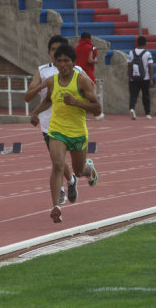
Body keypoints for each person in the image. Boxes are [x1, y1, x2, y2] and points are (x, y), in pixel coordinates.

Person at [30, 44, 101, 223]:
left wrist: (76, 102)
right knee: (58, 165)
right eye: (59, 61)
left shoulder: (81, 80)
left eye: (66, 61)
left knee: (78, 170)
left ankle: (89, 169)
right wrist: (36, 112)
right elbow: (48, 99)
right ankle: (56, 207)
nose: (62, 64)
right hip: (57, 130)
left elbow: (97, 107)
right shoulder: (52, 81)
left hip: (77, 132)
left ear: (73, 62)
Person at [24, 35, 80, 205]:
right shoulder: (42, 71)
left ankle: (73, 179)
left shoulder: (76, 70)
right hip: (50, 124)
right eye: (53, 50)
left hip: (73, 124)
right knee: (58, 161)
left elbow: (89, 92)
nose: (56, 53)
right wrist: (40, 86)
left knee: (79, 166)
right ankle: (62, 188)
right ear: (49, 52)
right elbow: (29, 94)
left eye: (60, 49)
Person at [74, 32, 104, 120]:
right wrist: (96, 61)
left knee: (78, 93)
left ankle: (78, 112)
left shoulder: (76, 47)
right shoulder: (91, 47)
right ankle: (96, 114)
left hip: (77, 72)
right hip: (87, 72)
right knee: (92, 92)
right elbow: (90, 60)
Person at [127, 36, 154, 120]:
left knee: (133, 95)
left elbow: (129, 65)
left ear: (137, 43)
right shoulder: (147, 53)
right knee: (146, 96)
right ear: (145, 43)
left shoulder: (131, 52)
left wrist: (129, 76)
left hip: (133, 78)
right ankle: (147, 113)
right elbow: (150, 66)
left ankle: (132, 109)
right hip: (144, 78)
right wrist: (150, 78)